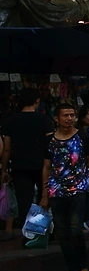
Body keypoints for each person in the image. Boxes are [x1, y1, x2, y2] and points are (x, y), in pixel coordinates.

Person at [40, 101, 89, 271]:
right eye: (65, 115)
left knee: (75, 229)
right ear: (57, 118)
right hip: (56, 191)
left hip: (78, 188)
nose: (69, 118)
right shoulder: (49, 141)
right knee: (62, 232)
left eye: (72, 115)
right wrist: (45, 194)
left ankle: (83, 268)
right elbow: (46, 167)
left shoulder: (84, 137)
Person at [3, 88, 53, 229]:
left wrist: (4, 169)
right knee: (45, 198)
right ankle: (45, 230)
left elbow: (7, 148)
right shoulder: (44, 120)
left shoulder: (11, 120)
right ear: (37, 101)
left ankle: (28, 232)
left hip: (20, 165)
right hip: (42, 165)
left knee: (24, 201)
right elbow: (51, 145)